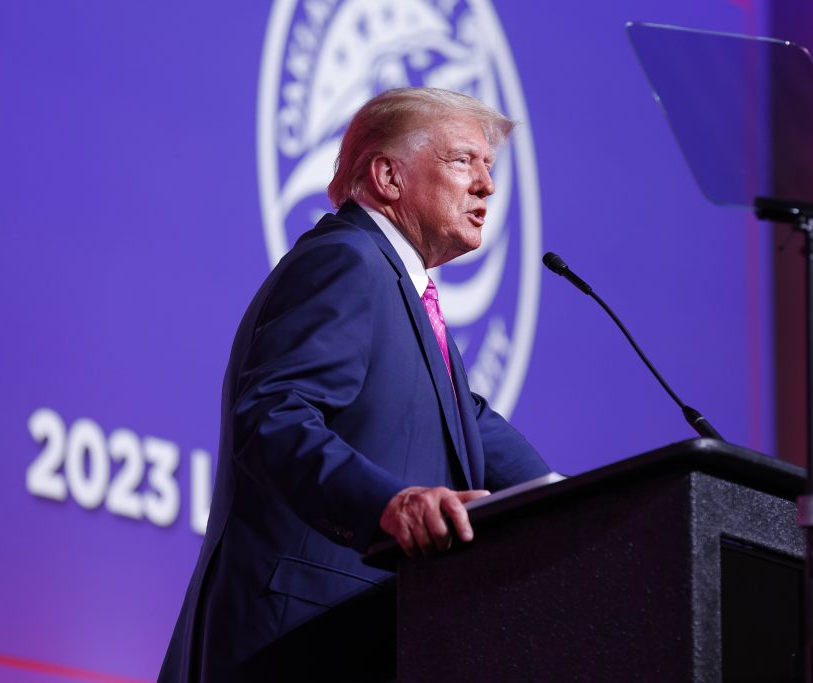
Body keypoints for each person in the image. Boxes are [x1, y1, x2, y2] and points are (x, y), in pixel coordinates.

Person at [158, 87, 550, 681]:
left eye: (488, 166)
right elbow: (273, 416)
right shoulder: (346, 259)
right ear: (388, 176)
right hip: (299, 641)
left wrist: (573, 501)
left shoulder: (401, 289)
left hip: (368, 640)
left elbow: (461, 414)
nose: (486, 185)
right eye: (463, 161)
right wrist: (387, 505)